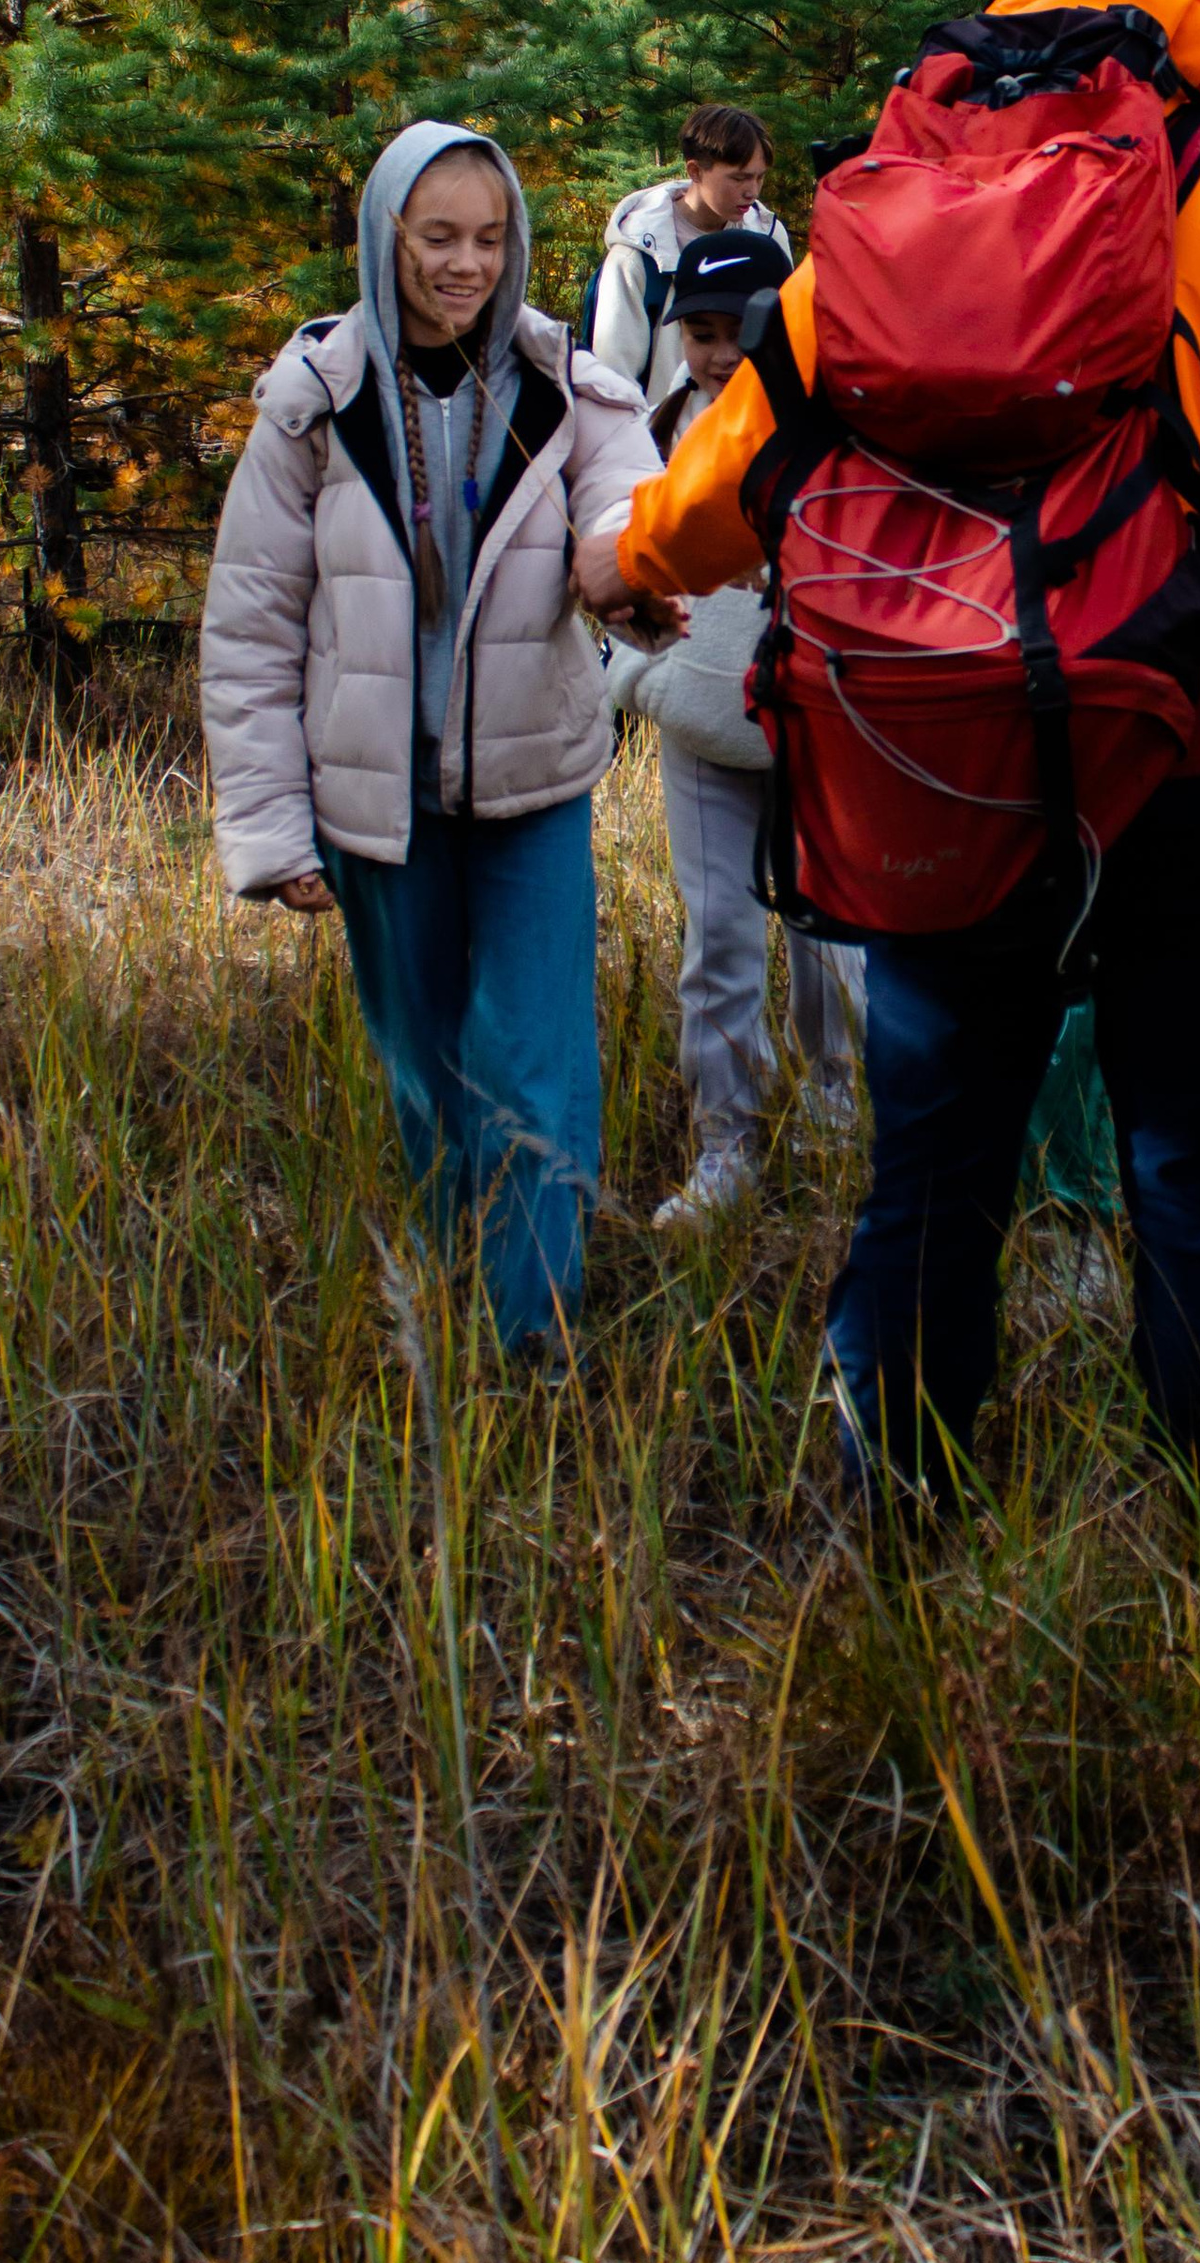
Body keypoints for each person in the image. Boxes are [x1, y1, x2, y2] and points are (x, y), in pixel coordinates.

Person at [577, 0, 1200, 1518]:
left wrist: (638, 558)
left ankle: (891, 1515)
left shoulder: (911, 187)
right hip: (1197, 753)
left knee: (933, 1162)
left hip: (941, 742)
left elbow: (763, 430)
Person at [201, 122, 660, 1356]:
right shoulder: (316, 404)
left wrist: (630, 567)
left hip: (534, 787)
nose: (466, 264)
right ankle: (455, 1293)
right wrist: (269, 828)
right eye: (438, 237)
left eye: (489, 238)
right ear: (384, 234)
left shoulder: (569, 388)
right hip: (377, 802)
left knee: (539, 1059)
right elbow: (249, 631)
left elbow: (625, 503)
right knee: (427, 1071)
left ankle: (535, 1339)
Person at [604, 227, 864, 1231]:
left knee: (830, 939)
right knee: (715, 941)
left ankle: (836, 1123)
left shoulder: (823, 427)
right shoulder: (655, 429)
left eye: (735, 331)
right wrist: (635, 677)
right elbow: (620, 559)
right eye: (699, 333)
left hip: (816, 729)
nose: (716, 353)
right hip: (698, 725)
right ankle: (727, 1147)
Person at [588, 103, 791, 410]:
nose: (752, 192)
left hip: (755, 436)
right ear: (695, 170)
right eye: (738, 179)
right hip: (662, 446)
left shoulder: (768, 239)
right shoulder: (636, 258)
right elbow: (613, 381)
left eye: (759, 178)